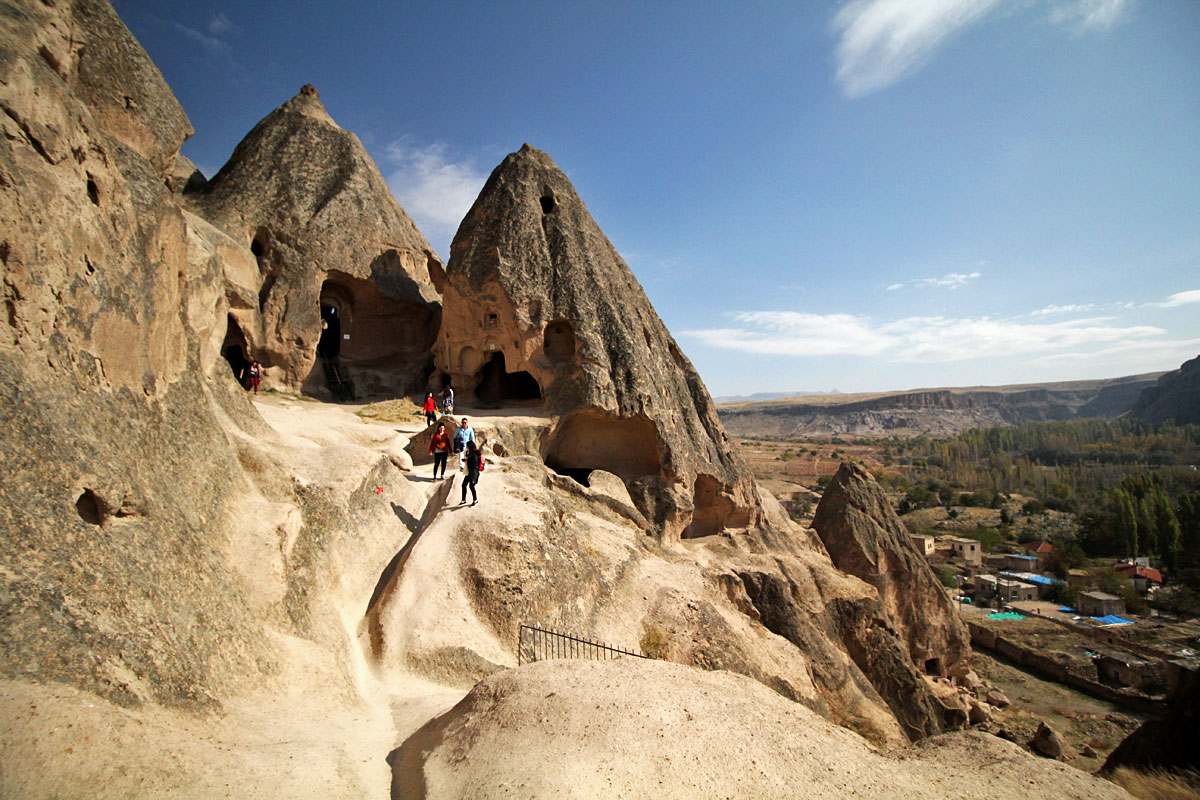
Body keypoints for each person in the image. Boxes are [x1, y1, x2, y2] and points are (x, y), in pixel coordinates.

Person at [460, 440, 482, 505]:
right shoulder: (471, 453)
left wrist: (467, 461)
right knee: (464, 485)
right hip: (469, 473)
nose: (467, 448)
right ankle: (463, 500)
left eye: (467, 447)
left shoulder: (474, 455)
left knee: (471, 486)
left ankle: (475, 500)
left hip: (473, 473)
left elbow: (474, 464)